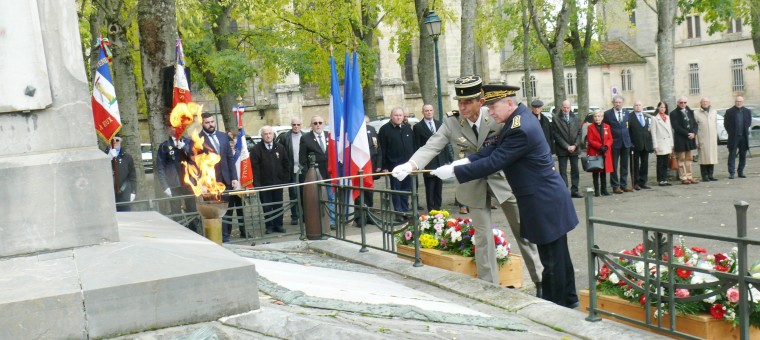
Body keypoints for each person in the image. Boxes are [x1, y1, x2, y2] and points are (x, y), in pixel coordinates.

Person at [392, 75, 544, 294]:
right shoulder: (452, 121)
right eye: (459, 102)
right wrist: (411, 164)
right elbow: (432, 146)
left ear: (480, 102)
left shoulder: (495, 115)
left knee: (523, 230)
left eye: (467, 102)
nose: (462, 106)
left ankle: (540, 280)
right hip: (472, 184)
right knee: (482, 237)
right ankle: (489, 286)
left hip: (503, 181)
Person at [432, 84, 578, 309]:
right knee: (557, 256)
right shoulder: (516, 121)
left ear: (510, 103)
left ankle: (555, 306)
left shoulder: (520, 128)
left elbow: (495, 161)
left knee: (552, 260)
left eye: (493, 107)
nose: (490, 112)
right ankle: (568, 299)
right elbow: (492, 149)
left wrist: (455, 172)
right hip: (545, 197)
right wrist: (465, 161)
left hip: (543, 200)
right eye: (488, 107)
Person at [199, 112, 239, 242]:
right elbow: (196, 163)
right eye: (207, 122)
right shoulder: (198, 139)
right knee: (213, 211)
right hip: (210, 183)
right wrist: (202, 183)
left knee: (226, 210)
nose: (210, 125)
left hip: (226, 180)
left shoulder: (223, 137)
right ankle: (214, 237)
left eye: (212, 122)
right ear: (202, 123)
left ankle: (226, 237)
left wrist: (234, 177)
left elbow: (229, 158)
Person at [156, 125, 197, 230]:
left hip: (189, 183)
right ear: (169, 130)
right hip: (174, 184)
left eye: (178, 127)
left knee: (192, 209)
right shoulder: (164, 146)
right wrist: (165, 186)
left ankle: (195, 231)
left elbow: (195, 159)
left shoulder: (188, 143)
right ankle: (180, 231)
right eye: (172, 127)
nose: (175, 130)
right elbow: (160, 168)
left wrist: (184, 148)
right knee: (176, 211)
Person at [252, 126, 290, 234]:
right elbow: (255, 168)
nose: (268, 136)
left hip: (278, 183)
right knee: (267, 206)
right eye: (266, 134)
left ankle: (279, 225)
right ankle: (269, 226)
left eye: (270, 133)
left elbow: (286, 164)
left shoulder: (280, 147)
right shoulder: (256, 149)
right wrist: (257, 184)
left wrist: (284, 180)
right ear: (262, 136)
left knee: (278, 205)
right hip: (264, 184)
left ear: (273, 135)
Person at [412, 104, 450, 211]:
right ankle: (431, 209)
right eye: (426, 110)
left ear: (433, 111)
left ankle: (438, 207)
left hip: (440, 160)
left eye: (430, 110)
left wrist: (446, 160)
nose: (429, 112)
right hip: (428, 162)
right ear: (423, 112)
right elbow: (417, 145)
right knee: (430, 186)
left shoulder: (440, 124)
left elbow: (445, 144)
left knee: (439, 186)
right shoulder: (418, 127)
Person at [378, 107, 415, 215]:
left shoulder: (407, 128)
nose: (398, 117)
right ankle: (399, 212)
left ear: (403, 116)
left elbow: (412, 146)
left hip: (407, 165)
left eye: (400, 115)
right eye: (396, 115)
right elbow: (382, 149)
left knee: (406, 189)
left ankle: (405, 211)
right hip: (393, 165)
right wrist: (384, 166)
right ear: (391, 116)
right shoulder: (384, 130)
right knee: (396, 189)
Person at [299, 115, 334, 225]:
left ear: (323, 124)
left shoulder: (329, 135)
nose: (318, 125)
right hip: (316, 175)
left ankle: (331, 222)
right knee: (317, 200)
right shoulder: (305, 138)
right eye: (315, 123)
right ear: (311, 125)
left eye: (320, 122)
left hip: (329, 173)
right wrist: (308, 175)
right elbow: (302, 159)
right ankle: (318, 222)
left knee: (331, 198)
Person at [551, 100, 583, 198]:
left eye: (568, 107)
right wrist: (566, 146)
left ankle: (575, 190)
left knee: (575, 170)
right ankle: (564, 191)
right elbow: (556, 135)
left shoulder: (575, 118)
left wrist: (575, 145)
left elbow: (579, 133)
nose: (566, 109)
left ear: (570, 108)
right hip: (562, 149)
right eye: (564, 107)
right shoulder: (556, 119)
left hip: (574, 148)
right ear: (561, 107)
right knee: (563, 171)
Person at [603, 95, 633, 193]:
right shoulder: (607, 114)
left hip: (626, 143)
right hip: (614, 143)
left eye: (620, 102)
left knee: (624, 165)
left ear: (623, 103)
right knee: (614, 166)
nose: (618, 104)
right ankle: (615, 186)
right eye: (616, 102)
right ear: (613, 103)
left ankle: (624, 185)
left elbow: (628, 127)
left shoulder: (626, 113)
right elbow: (605, 129)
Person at [275, 117, 304, 224]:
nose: (296, 126)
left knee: (303, 193)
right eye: (294, 125)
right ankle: (295, 216)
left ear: (301, 125)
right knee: (293, 194)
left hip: (302, 170)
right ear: (291, 126)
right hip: (291, 170)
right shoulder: (285, 137)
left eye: (298, 124)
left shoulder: (305, 136)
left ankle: (304, 215)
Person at [355, 115, 380, 224]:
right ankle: (360, 217)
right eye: (364, 123)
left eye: (367, 122)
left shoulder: (372, 130)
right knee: (359, 193)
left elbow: (378, 148)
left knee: (369, 192)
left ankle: (369, 215)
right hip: (359, 166)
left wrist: (379, 164)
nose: (366, 125)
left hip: (371, 166)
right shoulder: (355, 132)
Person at [670, 97, 699, 184]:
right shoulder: (674, 113)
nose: (683, 104)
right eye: (681, 102)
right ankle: (683, 177)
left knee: (689, 159)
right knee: (681, 159)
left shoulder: (690, 111)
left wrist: (693, 133)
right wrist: (687, 134)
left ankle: (689, 176)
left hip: (690, 138)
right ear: (678, 103)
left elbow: (694, 124)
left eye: (684, 102)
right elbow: (676, 126)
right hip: (681, 138)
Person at [627, 101, 654, 190]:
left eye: (640, 105)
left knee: (644, 164)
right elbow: (628, 132)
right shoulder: (630, 117)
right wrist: (630, 143)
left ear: (642, 107)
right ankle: (636, 183)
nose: (638, 107)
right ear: (633, 107)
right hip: (635, 145)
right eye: (636, 105)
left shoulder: (646, 117)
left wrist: (650, 144)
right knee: (634, 165)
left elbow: (648, 132)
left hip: (645, 145)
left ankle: (643, 182)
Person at [586, 110, 613, 197]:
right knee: (596, 172)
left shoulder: (607, 126)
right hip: (595, 152)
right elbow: (590, 140)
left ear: (602, 117)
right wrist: (599, 146)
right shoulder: (590, 127)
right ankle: (597, 191)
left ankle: (604, 190)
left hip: (605, 152)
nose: (597, 118)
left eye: (599, 116)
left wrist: (606, 146)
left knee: (604, 172)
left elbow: (610, 139)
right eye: (595, 116)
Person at [724, 96, 752, 179]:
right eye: (737, 101)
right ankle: (731, 172)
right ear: (735, 102)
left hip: (744, 137)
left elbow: (749, 122)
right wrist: (731, 132)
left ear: (743, 102)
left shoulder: (747, 111)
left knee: (743, 155)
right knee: (732, 154)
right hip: (734, 137)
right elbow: (726, 124)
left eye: (740, 101)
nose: (738, 103)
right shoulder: (729, 112)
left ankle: (740, 172)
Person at [107, 135, 137, 212]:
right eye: (112, 140)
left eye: (117, 140)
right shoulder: (104, 156)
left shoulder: (127, 157)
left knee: (126, 217)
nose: (114, 142)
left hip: (124, 192)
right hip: (109, 194)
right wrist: (108, 158)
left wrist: (133, 191)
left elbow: (132, 176)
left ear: (120, 141)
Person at [693, 97, 719, 182]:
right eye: (703, 102)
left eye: (706, 101)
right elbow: (695, 128)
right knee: (703, 158)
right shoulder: (696, 113)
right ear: (700, 103)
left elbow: (715, 125)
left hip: (712, 139)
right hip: (702, 138)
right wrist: (696, 140)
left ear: (709, 102)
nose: (705, 103)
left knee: (712, 157)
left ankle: (711, 175)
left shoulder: (714, 112)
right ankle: (704, 176)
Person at [650, 101, 674, 186]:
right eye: (661, 107)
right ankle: (660, 179)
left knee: (665, 162)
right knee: (660, 162)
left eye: (664, 107)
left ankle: (665, 179)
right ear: (658, 108)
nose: (663, 109)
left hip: (667, 142)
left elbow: (670, 131)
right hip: (660, 143)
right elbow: (653, 132)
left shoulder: (667, 117)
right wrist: (655, 145)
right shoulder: (654, 118)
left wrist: (671, 143)